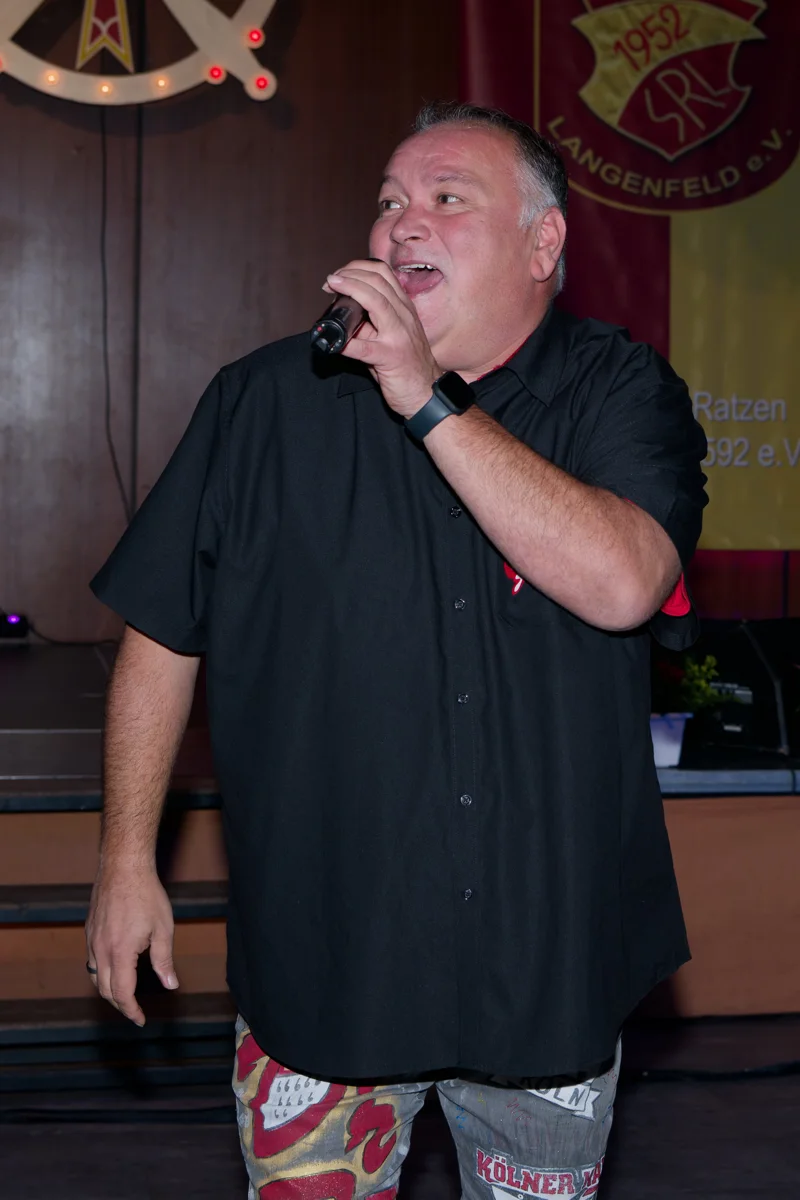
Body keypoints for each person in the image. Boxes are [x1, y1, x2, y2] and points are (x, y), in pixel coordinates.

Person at [86, 101, 707, 1199]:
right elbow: (160, 633)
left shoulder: (617, 390)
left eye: (446, 199)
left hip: (544, 966)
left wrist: (425, 398)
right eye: (388, 201)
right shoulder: (263, 404)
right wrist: (126, 860)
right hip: (327, 965)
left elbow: (622, 585)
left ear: (542, 244)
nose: (400, 223)